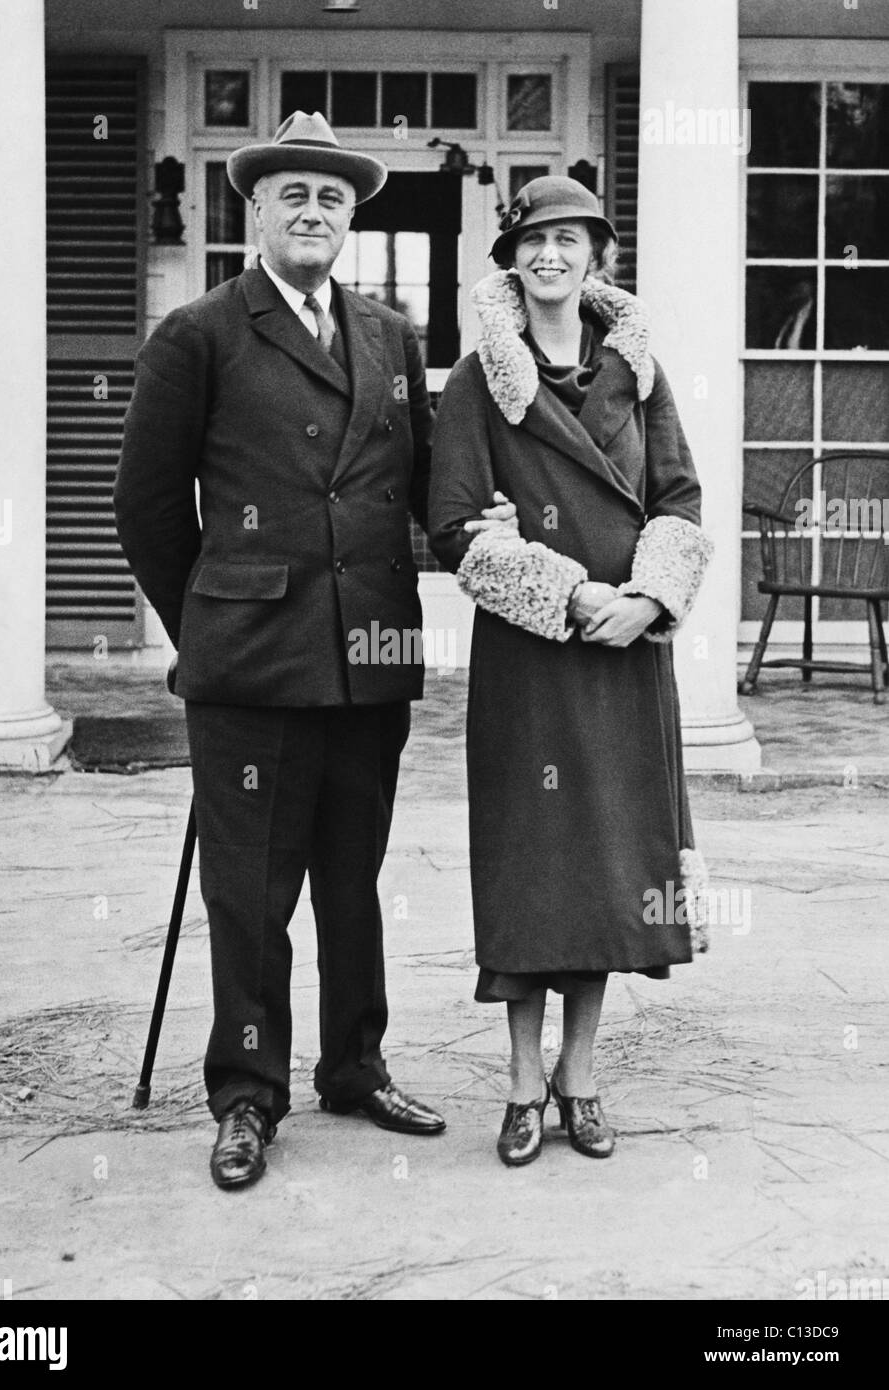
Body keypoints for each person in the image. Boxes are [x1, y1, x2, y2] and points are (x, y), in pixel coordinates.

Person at [115, 111, 453, 1191]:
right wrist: (212, 621)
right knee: (250, 894)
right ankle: (247, 1094)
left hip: (369, 659)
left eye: (333, 199)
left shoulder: (393, 337)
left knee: (351, 880)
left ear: (351, 218)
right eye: (292, 196)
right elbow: (148, 508)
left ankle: (353, 1064)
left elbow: (427, 490)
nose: (314, 213)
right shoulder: (199, 334)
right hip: (249, 664)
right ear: (251, 210)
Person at [428, 176, 713, 1168]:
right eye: (535, 240)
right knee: (528, 867)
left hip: (626, 661)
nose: (552, 256)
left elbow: (678, 498)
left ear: (597, 258)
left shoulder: (637, 373)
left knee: (605, 869)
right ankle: (518, 1085)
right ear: (512, 256)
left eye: (571, 240)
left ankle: (580, 1078)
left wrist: (649, 596)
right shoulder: (477, 382)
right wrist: (564, 591)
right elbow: (454, 525)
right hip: (532, 663)